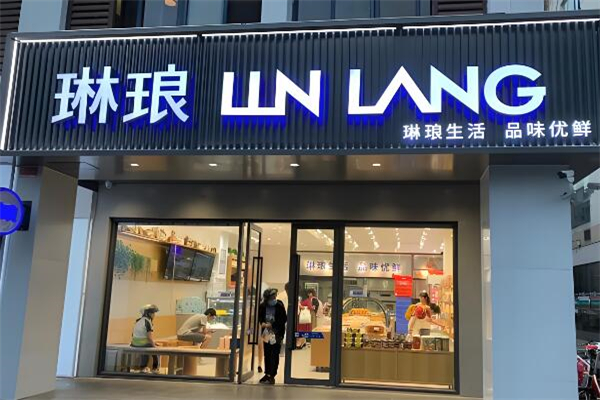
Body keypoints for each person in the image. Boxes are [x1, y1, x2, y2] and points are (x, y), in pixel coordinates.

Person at [258, 288, 287, 384]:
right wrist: (262, 323)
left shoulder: (279, 305)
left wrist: (273, 325)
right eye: (272, 297)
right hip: (266, 333)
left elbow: (283, 319)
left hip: (277, 333)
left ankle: (272, 375)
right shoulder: (262, 306)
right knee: (267, 353)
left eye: (274, 296)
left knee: (275, 354)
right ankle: (267, 373)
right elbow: (260, 317)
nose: (274, 299)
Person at [131, 304, 160, 373]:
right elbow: (149, 337)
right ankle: (155, 368)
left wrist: (152, 343)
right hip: (142, 343)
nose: (154, 315)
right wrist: (154, 345)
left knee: (147, 347)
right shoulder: (147, 322)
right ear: (147, 313)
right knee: (156, 351)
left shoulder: (138, 321)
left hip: (134, 343)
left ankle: (143, 367)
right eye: (152, 313)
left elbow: (133, 334)